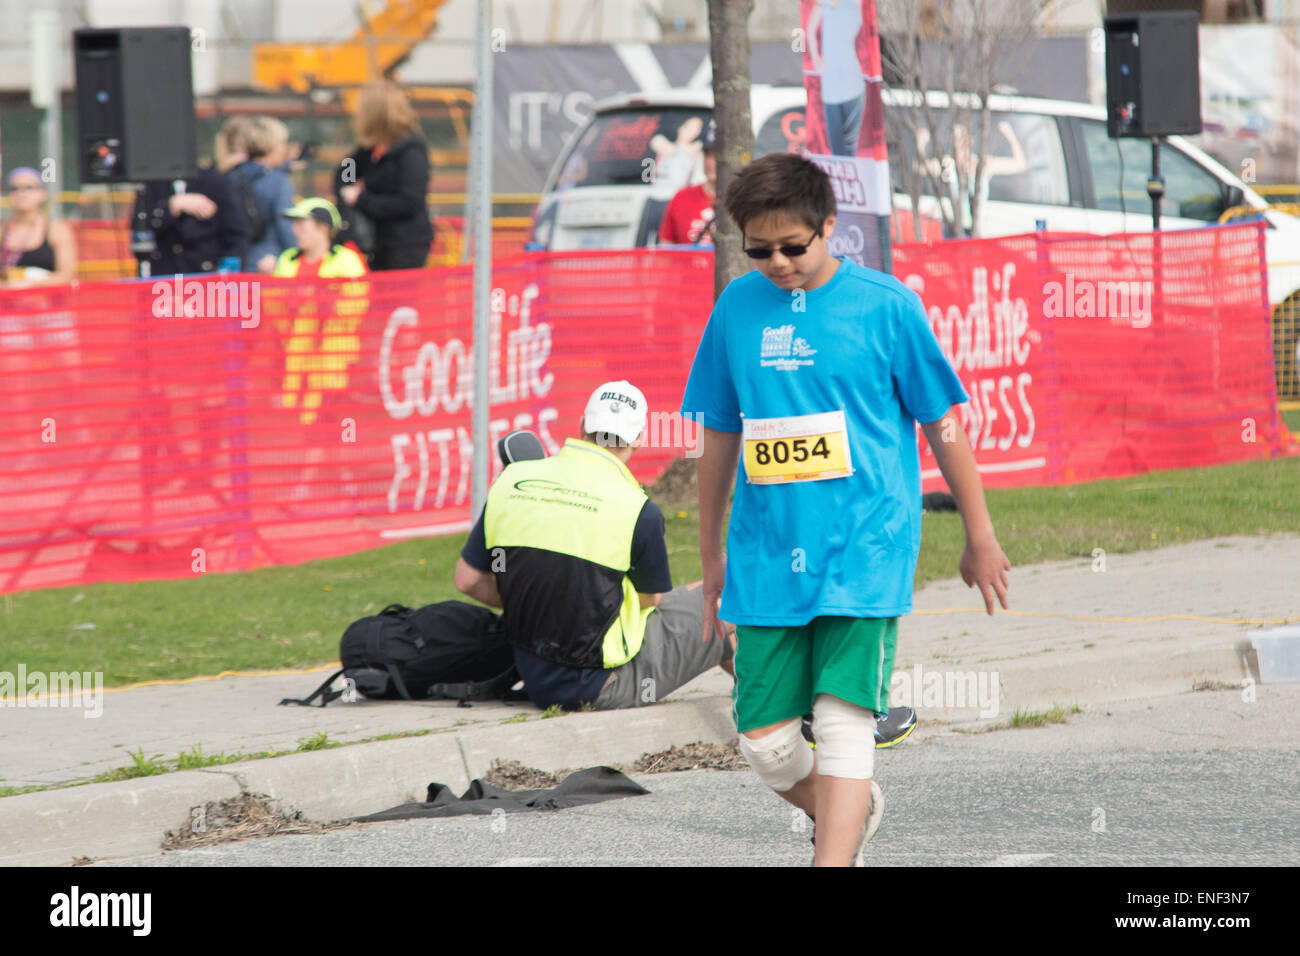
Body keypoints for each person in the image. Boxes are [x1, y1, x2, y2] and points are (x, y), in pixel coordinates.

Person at [680, 153, 1011, 866]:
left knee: (840, 718)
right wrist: (711, 557)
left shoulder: (886, 306)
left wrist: (978, 535)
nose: (777, 263)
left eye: (793, 247)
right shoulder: (735, 309)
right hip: (768, 552)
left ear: (829, 226)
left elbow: (943, 422)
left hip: (867, 542)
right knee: (766, 745)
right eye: (759, 249)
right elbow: (717, 436)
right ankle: (851, 808)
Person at [453, 380, 736, 712]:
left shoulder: (513, 481)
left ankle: (760, 711)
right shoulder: (638, 511)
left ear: (582, 427)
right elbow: (650, 601)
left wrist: (537, 603)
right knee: (733, 588)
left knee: (706, 609)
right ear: (639, 440)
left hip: (534, 675)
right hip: (600, 684)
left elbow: (468, 580)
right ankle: (773, 722)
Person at [334, 80, 433, 271]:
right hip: (375, 242)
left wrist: (361, 199)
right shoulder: (368, 150)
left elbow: (411, 201)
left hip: (405, 245)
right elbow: (344, 171)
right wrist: (349, 188)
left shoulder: (411, 152)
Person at [129, 143, 249, 276]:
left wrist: (227, 274)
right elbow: (140, 228)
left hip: (206, 278)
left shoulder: (216, 182)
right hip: (164, 278)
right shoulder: (152, 184)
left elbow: (236, 234)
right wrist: (171, 206)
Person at [227, 116, 297, 274]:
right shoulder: (278, 182)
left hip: (238, 264)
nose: (284, 149)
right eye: (282, 143)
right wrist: (297, 257)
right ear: (271, 146)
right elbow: (285, 227)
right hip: (271, 263)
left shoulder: (231, 177)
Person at [0, 167, 77, 287]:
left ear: (42, 193)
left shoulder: (57, 229)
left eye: (29, 188)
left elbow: (66, 274)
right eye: (14, 189)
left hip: (47, 301)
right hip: (9, 302)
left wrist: (29, 285)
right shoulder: (3, 229)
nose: (21, 193)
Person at [808, 0, 866, 157]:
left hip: (852, 80)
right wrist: (817, 62)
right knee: (837, 146)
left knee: (852, 145)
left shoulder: (855, 3)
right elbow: (810, 31)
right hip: (831, 83)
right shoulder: (823, 4)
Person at [636, 115, 704, 247]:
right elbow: (657, 143)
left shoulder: (696, 152)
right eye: (689, 127)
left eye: (696, 129)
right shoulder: (665, 145)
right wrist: (680, 148)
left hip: (672, 200)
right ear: (680, 128)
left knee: (664, 242)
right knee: (643, 240)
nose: (692, 132)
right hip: (654, 197)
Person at [658, 121, 717, 246]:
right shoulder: (681, 198)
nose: (710, 162)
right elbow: (666, 250)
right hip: (687, 266)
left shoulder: (742, 201)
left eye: (717, 155)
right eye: (707, 155)